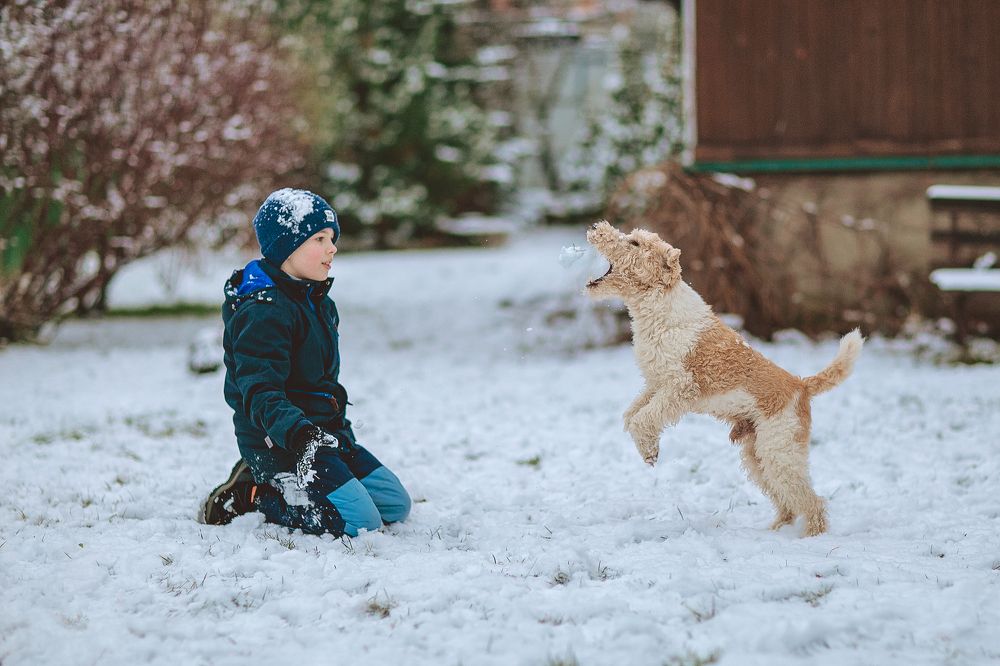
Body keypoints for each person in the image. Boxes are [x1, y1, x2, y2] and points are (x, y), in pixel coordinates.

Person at [200, 188, 410, 537]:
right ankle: (254, 494)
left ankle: (300, 477)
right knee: (360, 523)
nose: (332, 248)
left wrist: (333, 432)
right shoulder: (263, 312)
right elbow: (260, 391)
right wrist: (298, 433)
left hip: (325, 435)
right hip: (284, 440)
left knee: (394, 504)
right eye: (319, 238)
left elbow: (319, 381)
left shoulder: (318, 301)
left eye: (332, 238)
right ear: (287, 246)